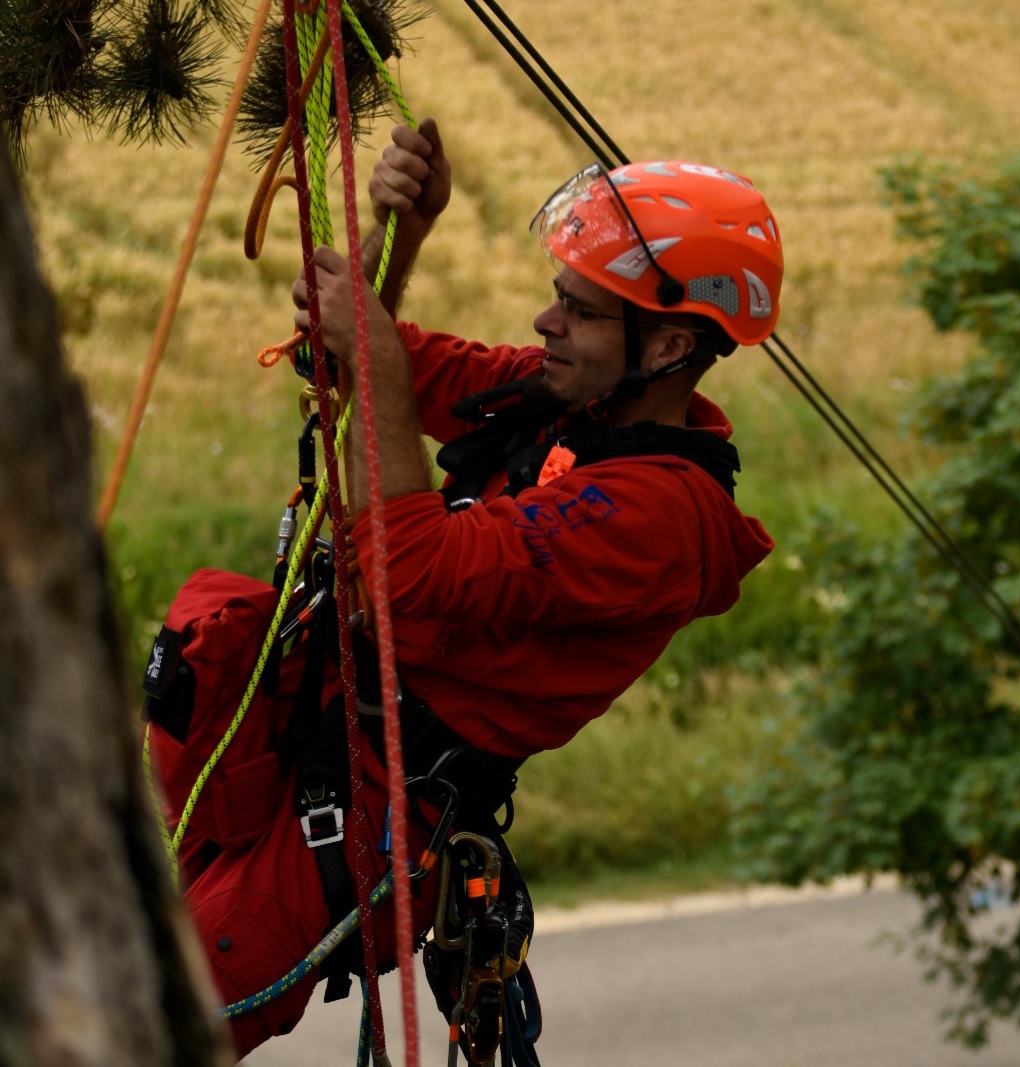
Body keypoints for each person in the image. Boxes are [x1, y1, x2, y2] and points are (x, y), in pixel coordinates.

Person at [146, 117, 782, 1060]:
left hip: (369, 810)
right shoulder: (566, 394)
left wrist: (377, 357)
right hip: (296, 731)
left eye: (582, 309)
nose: (545, 322)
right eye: (557, 295)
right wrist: (402, 232)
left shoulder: (662, 518)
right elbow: (345, 354)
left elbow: (408, 571)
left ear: (667, 349)